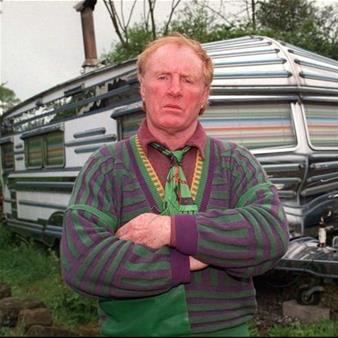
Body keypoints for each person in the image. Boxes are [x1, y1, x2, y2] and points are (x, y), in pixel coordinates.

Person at [60, 33, 290, 337]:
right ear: (142, 87)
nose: (174, 90)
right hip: (135, 331)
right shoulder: (105, 166)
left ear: (205, 94)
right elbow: (83, 262)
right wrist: (187, 260)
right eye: (163, 76)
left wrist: (170, 230)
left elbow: (270, 234)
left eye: (188, 80)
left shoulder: (236, 162)